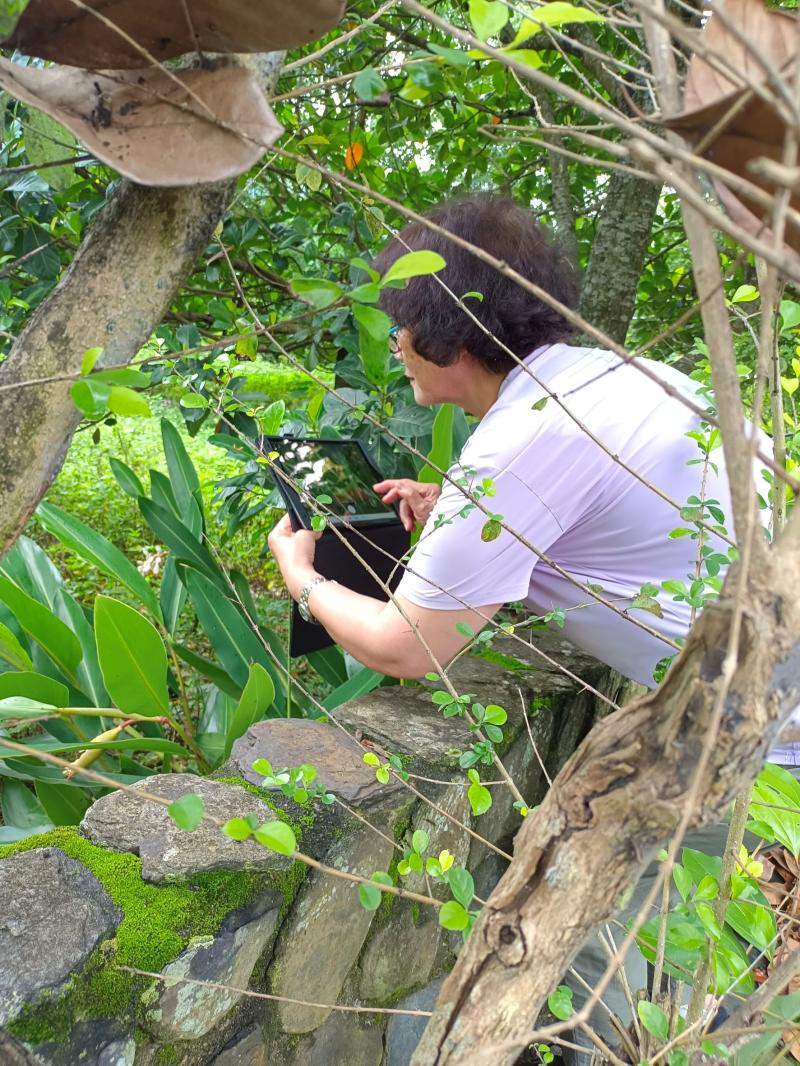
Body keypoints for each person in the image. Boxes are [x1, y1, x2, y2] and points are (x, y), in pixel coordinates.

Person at [267, 194, 794, 1058]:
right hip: (767, 688)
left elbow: (407, 645)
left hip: (764, 736)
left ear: (448, 337)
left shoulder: (519, 448)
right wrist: (455, 507)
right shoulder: (607, 376)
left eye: (401, 328)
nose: (395, 347)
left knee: (581, 952)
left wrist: (303, 578)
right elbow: (600, 511)